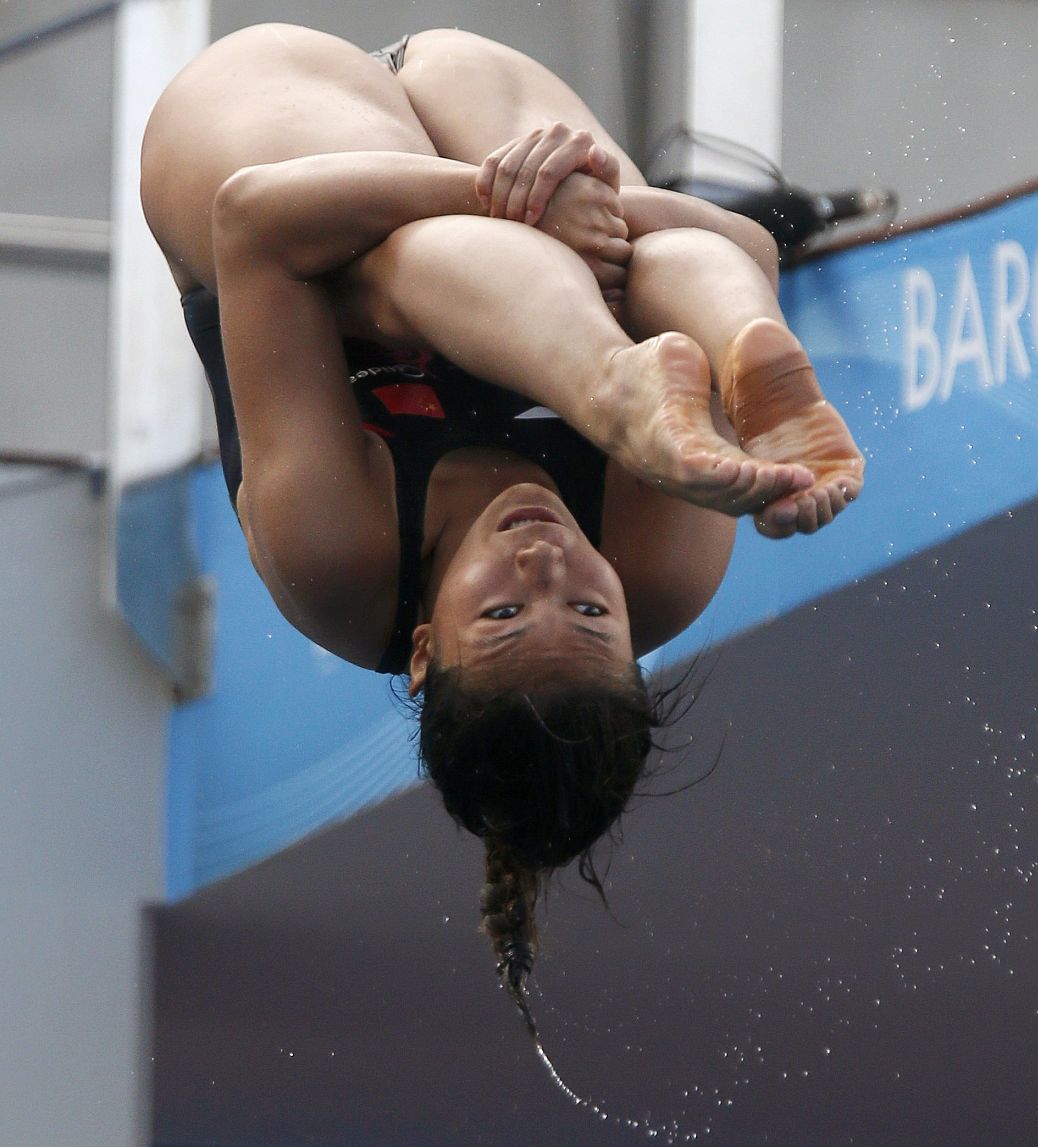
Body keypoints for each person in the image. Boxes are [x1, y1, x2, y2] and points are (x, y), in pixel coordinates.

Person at [140, 23, 864, 1038]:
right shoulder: (664, 567)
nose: (549, 557)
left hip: (286, 180)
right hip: (474, 114)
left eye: (507, 609)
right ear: (632, 636)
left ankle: (608, 382)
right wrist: (573, 208)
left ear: (426, 650)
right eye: (585, 605)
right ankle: (752, 353)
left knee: (396, 273)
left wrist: (502, 196)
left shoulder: (335, 558)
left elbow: (252, 221)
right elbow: (738, 241)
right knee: (636, 262)